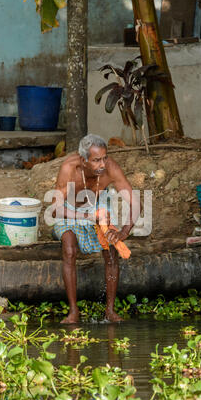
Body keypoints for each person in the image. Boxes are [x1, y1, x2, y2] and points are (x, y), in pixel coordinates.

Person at [50, 134, 138, 324]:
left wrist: (124, 231)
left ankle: (110, 311)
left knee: (112, 251)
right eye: (96, 160)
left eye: (104, 158)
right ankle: (74, 311)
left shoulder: (111, 168)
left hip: (99, 208)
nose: (102, 164)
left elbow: (135, 202)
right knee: (69, 248)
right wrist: (87, 217)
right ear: (83, 160)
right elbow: (56, 208)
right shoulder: (69, 168)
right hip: (70, 211)